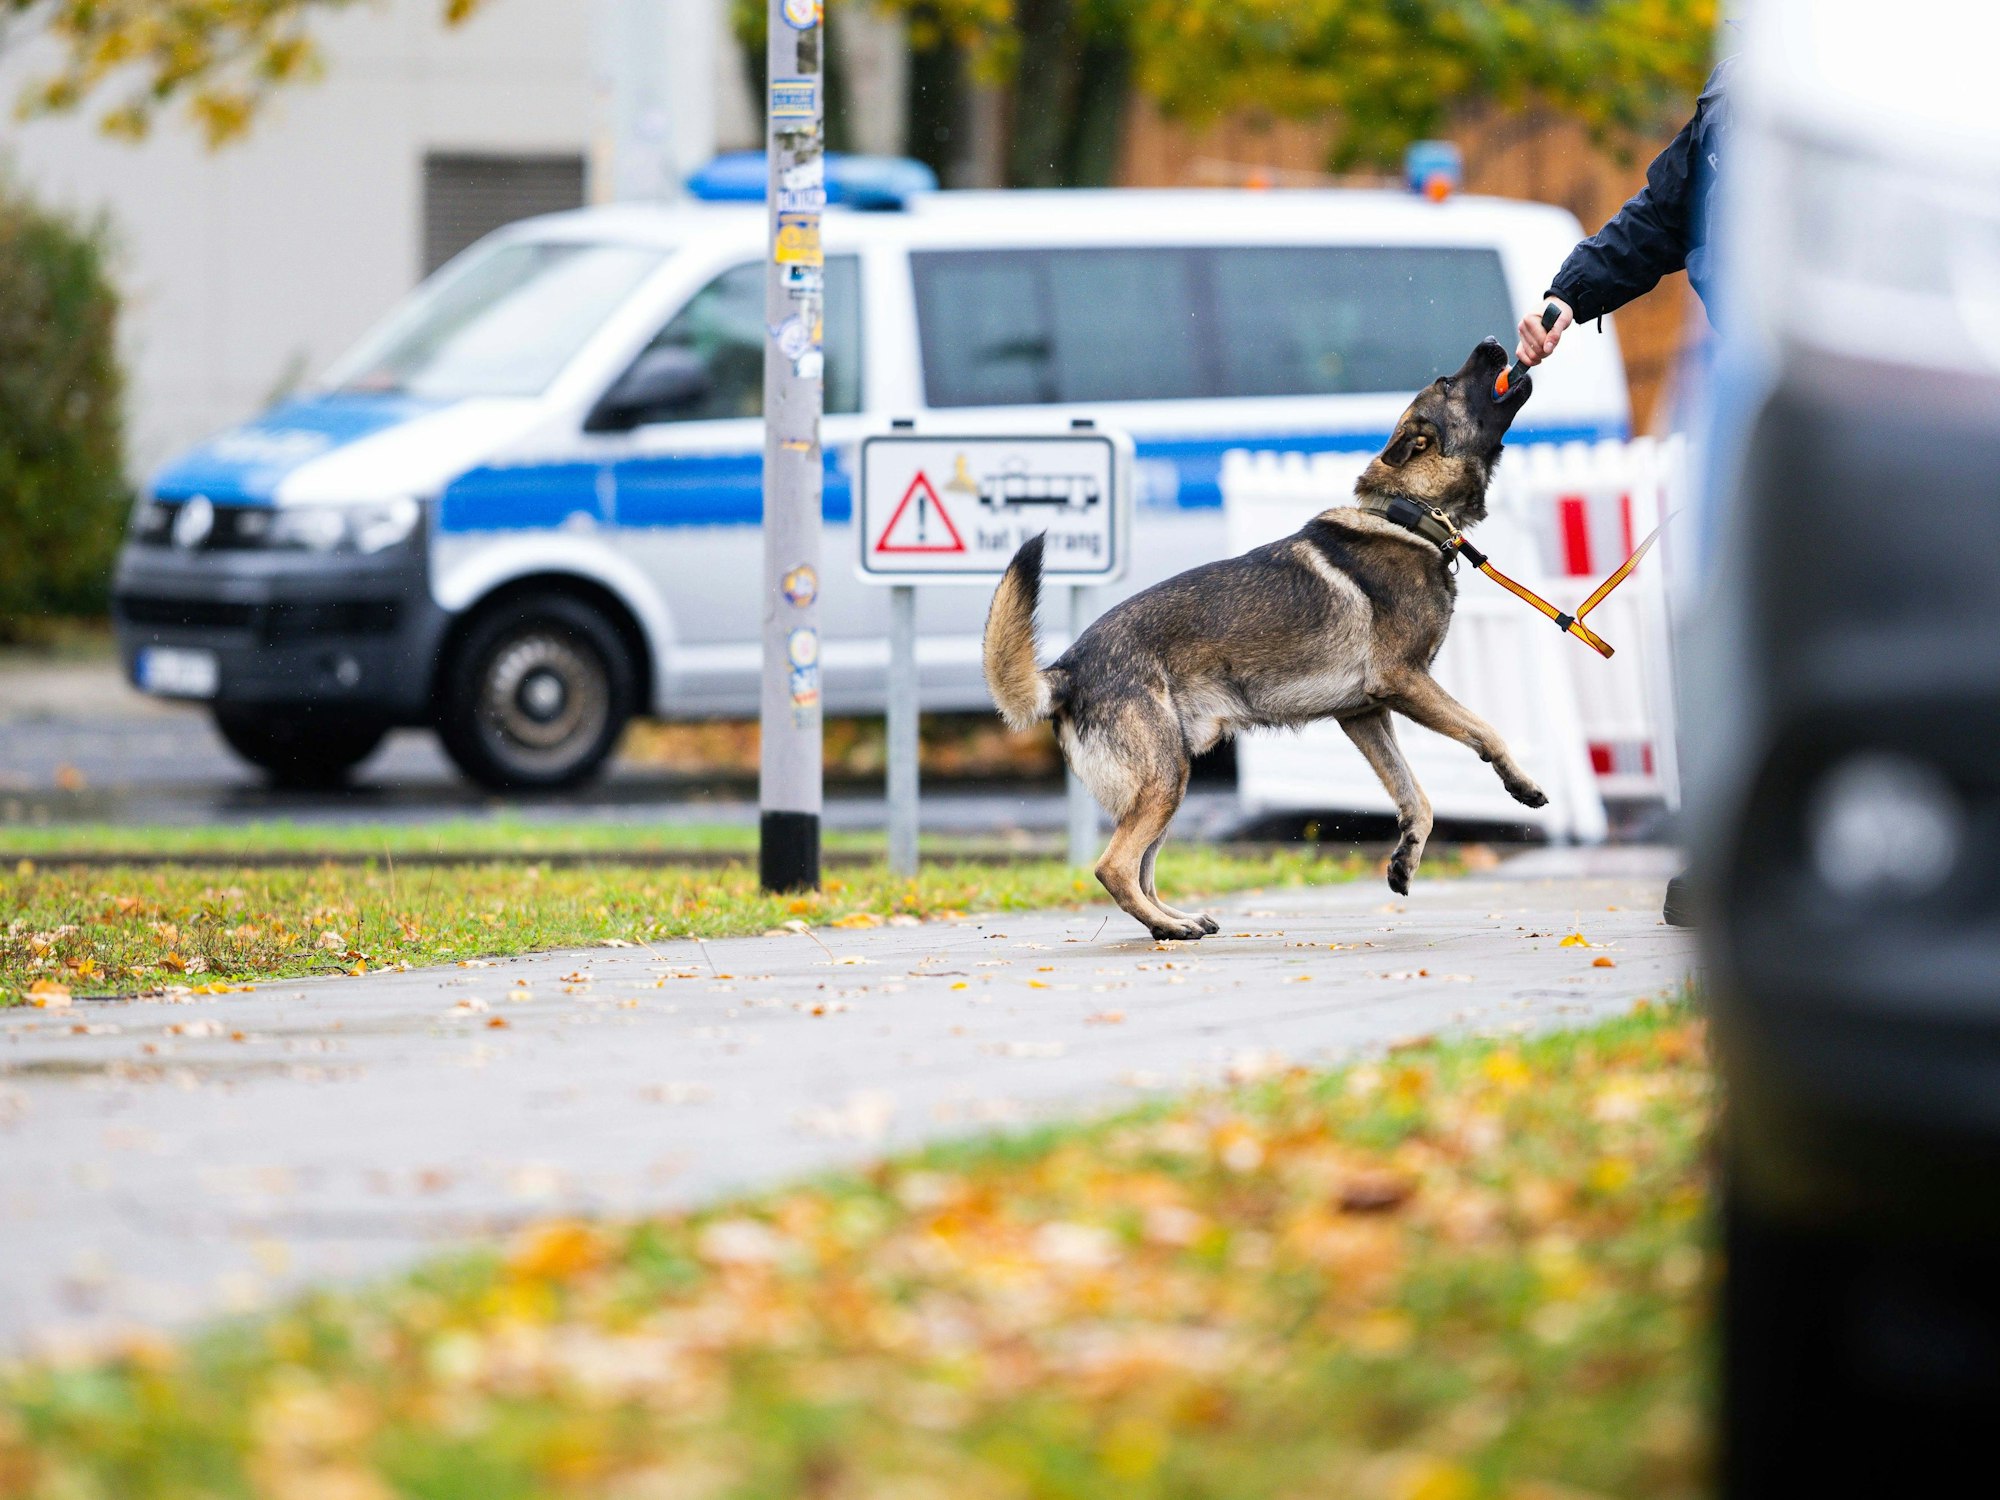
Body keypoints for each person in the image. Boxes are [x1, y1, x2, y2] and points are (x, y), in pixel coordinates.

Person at [1511, 59, 1733, 929]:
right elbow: (1657, 220)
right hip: (1761, 409)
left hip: (1892, 407)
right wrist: (1569, 295)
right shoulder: (1734, 108)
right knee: (1716, 630)